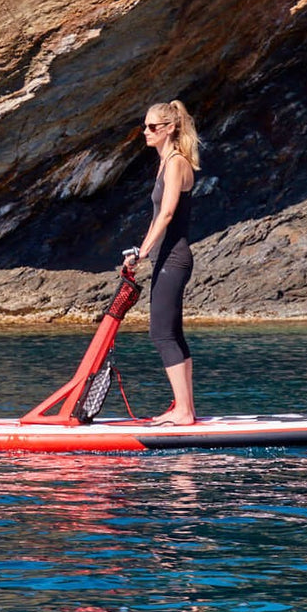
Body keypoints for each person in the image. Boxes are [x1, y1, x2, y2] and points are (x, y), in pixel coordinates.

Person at [123, 99, 200, 425]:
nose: (146, 132)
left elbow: (167, 213)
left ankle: (183, 411)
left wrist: (141, 252)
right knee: (171, 333)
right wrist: (144, 251)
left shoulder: (175, 163)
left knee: (161, 334)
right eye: (145, 126)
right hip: (166, 258)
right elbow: (158, 215)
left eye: (152, 127)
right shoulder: (166, 162)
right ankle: (185, 409)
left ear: (169, 128)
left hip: (174, 258)